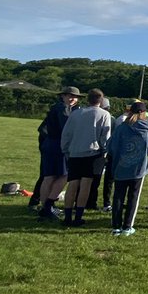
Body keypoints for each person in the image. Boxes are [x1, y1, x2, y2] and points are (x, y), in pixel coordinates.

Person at [58, 89, 112, 227]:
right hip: (92, 154)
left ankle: (68, 216)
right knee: (85, 186)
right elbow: (105, 137)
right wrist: (104, 151)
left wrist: (66, 149)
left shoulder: (76, 113)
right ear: (101, 100)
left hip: (74, 152)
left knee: (72, 184)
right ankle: (79, 216)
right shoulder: (104, 114)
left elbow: (66, 133)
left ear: (87, 99)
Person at [106, 101, 148, 236]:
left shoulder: (122, 127)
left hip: (121, 166)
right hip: (138, 168)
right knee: (133, 197)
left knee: (118, 197)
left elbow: (112, 147)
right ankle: (128, 227)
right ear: (144, 113)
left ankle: (116, 226)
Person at [35, 86, 80, 218]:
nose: (72, 99)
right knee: (64, 176)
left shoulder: (60, 107)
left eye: (75, 96)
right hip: (58, 145)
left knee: (49, 176)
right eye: (69, 96)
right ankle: (47, 206)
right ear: (63, 96)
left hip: (50, 143)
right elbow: (66, 128)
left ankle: (45, 207)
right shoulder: (63, 109)